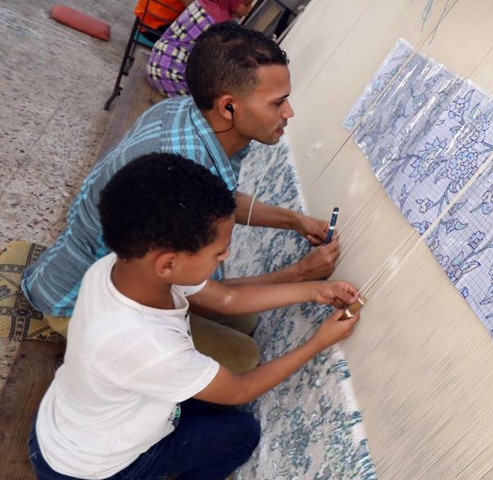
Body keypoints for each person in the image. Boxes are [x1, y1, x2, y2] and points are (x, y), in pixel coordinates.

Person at [22, 22, 338, 372]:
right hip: (78, 300)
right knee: (243, 358)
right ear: (229, 107)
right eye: (278, 102)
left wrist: (294, 221)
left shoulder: (189, 115)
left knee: (247, 321)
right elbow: (213, 299)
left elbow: (223, 199)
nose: (288, 112)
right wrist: (301, 275)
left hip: (128, 270)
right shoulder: (179, 167)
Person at [28, 153, 360, 480]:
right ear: (168, 263)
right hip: (89, 469)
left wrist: (313, 289)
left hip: (64, 428)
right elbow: (241, 389)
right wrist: (319, 341)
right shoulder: (148, 345)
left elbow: (228, 298)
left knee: (215, 406)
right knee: (241, 431)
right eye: (218, 252)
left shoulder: (119, 269)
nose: (226, 255)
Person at [147, 0, 255, 96]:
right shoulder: (221, 26)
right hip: (171, 77)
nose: (249, 10)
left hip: (156, 62)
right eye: (246, 4)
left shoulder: (203, 3)